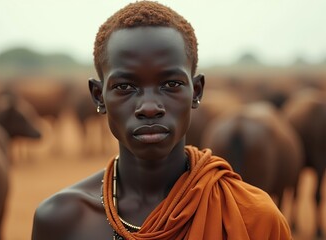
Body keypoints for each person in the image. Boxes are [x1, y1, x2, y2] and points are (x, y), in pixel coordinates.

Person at [32, 1, 292, 239]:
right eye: (124, 87)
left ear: (196, 91)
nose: (148, 108)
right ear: (99, 96)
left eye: (171, 84)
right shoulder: (60, 221)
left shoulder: (254, 218)